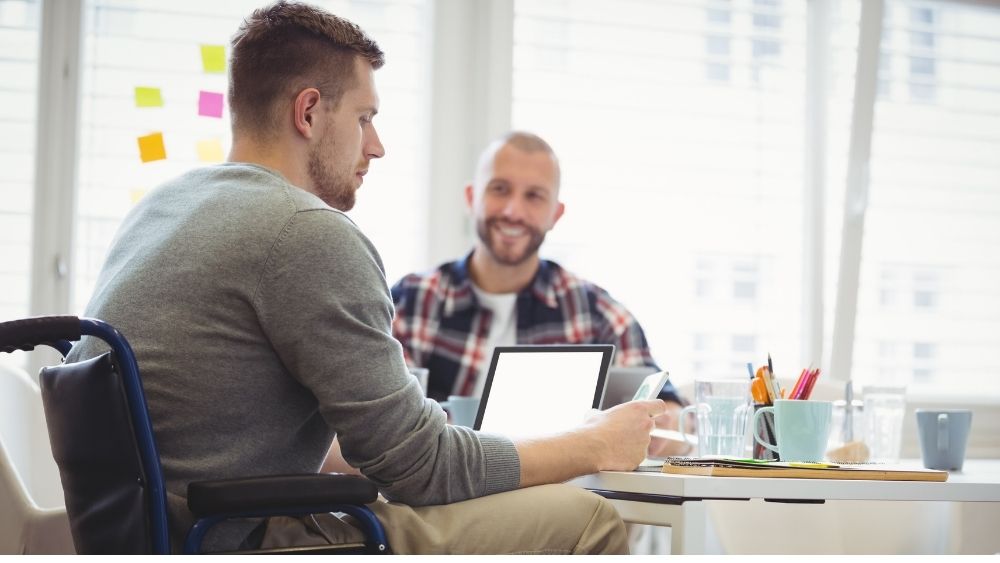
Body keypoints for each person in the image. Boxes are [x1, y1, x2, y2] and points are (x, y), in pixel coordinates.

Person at [67, 1, 666, 555]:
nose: (376, 146)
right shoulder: (305, 232)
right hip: (244, 539)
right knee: (587, 516)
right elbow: (423, 466)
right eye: (364, 117)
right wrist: (594, 443)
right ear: (308, 112)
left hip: (156, 534)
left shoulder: (160, 208)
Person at [390, 131, 688, 454]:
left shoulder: (596, 312)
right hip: (441, 493)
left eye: (534, 196)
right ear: (471, 197)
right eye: (499, 189)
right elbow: (383, 422)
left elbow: (669, 412)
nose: (513, 211)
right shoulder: (412, 301)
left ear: (555, 215)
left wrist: (659, 427)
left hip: (558, 495)